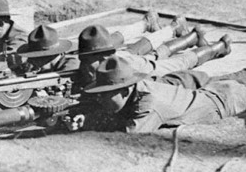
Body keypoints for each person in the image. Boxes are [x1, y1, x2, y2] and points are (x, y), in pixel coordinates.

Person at [82, 55, 246, 133]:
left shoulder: (148, 105)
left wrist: (90, 123)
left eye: (104, 94)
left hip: (227, 101)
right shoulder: (138, 86)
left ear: (125, 90)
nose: (99, 98)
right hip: (214, 90)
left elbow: (128, 135)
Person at [74, 24, 231, 89]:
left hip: (133, 64)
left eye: (90, 59)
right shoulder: (88, 61)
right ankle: (193, 37)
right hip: (125, 57)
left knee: (179, 63)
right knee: (156, 55)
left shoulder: (110, 64)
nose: (86, 64)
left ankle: (220, 46)